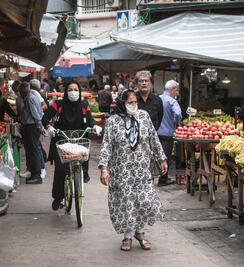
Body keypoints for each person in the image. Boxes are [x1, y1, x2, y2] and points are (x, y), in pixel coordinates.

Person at [99, 89, 167, 252]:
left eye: (135, 102)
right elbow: (106, 145)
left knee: (144, 201)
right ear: (122, 103)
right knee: (127, 202)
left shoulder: (143, 116)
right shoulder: (113, 121)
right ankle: (128, 235)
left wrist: (162, 158)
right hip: (122, 170)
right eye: (130, 103)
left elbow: (153, 138)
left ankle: (140, 232)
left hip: (142, 168)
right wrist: (104, 168)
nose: (134, 105)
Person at [43, 81, 102, 210]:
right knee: (61, 170)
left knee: (82, 162)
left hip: (80, 140)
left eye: (76, 89)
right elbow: (45, 118)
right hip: (62, 140)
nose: (73, 92)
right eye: (70, 89)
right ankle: (58, 197)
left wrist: (94, 126)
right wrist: (49, 127)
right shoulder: (57, 104)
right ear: (66, 91)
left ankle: (83, 175)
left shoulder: (83, 104)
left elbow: (90, 119)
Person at [157, 80, 182, 186]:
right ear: (172, 90)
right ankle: (163, 179)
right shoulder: (172, 101)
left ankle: (157, 176)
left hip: (156, 132)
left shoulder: (158, 99)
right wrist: (177, 120)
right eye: (176, 90)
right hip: (167, 133)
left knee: (157, 155)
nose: (177, 92)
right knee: (165, 156)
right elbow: (178, 113)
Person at [19, 82, 45, 184]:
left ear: (23, 92)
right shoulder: (30, 97)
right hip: (29, 127)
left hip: (32, 127)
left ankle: (36, 176)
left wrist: (40, 128)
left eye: (20, 92)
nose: (20, 95)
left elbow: (36, 115)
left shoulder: (30, 99)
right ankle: (33, 173)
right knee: (31, 151)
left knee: (33, 151)